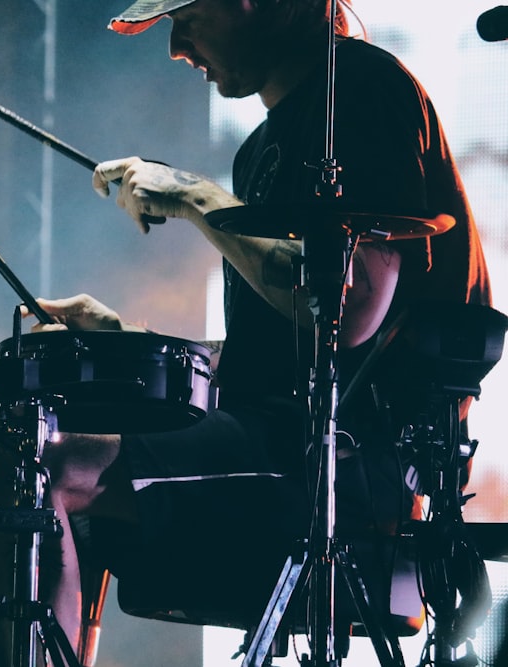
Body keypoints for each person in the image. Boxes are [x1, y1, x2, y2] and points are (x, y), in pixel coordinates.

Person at [24, 0, 493, 656]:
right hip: (281, 442)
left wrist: (194, 195)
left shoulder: (360, 89)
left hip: (353, 462)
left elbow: (349, 312)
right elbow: (271, 360)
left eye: (187, 17)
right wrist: (125, 343)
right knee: (24, 467)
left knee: (41, 464)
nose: (176, 47)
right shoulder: (260, 151)